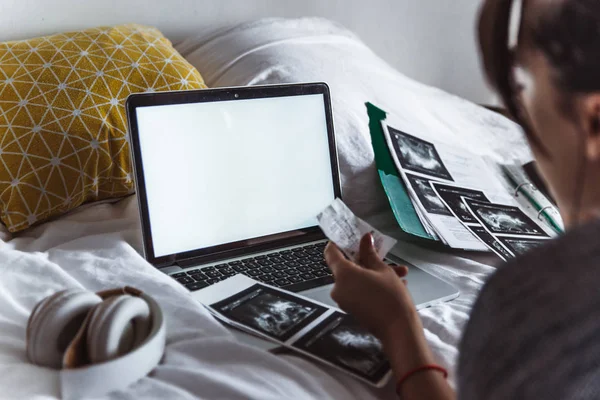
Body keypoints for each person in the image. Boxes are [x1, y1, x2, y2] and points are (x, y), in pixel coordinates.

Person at [324, 0, 600, 398]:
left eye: (522, 88)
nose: (517, 114)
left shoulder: (541, 303)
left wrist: (397, 326)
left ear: (593, 121)